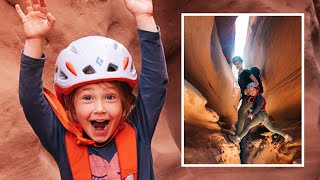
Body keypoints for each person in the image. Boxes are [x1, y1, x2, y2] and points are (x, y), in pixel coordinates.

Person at [17, 0, 168, 179]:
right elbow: (31, 100)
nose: (99, 108)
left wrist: (144, 17)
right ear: (71, 105)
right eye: (88, 98)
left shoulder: (138, 130)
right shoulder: (62, 141)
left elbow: (155, 82)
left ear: (125, 103)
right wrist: (34, 40)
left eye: (110, 97)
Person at [228, 82, 293, 144]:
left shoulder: (258, 97)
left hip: (261, 115)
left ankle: (237, 139)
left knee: (248, 126)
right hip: (264, 116)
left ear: (257, 89)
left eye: (253, 90)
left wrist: (252, 114)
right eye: (250, 91)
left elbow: (259, 106)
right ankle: (287, 137)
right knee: (273, 129)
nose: (251, 92)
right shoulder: (255, 97)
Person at [232, 56, 260, 134]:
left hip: (249, 97)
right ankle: (242, 138)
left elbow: (256, 82)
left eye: (238, 63)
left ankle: (238, 136)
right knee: (245, 117)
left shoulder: (246, 71)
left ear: (242, 62)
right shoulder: (239, 73)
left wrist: (249, 90)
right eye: (235, 64)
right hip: (244, 97)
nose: (237, 65)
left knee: (241, 112)